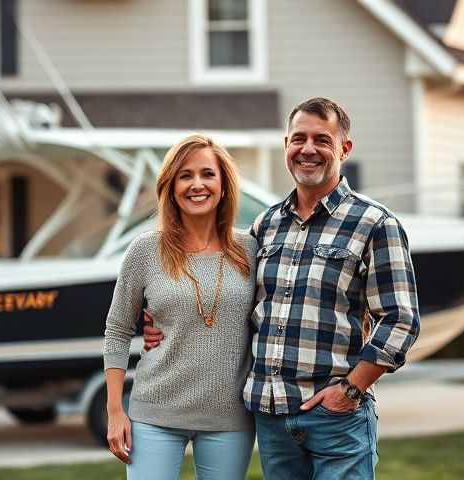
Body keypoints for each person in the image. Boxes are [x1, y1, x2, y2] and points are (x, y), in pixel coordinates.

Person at [144, 97, 420, 479]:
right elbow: (233, 303)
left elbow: (401, 320)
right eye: (299, 139)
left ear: (344, 148)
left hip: (336, 419)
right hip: (272, 419)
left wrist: (351, 391)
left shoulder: (375, 224)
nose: (308, 149)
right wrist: (161, 319)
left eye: (322, 140)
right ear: (286, 145)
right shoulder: (266, 226)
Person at [102, 134, 257, 480]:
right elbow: (116, 331)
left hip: (229, 417)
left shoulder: (251, 249)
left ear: (224, 184)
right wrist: (115, 410)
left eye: (207, 174)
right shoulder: (144, 251)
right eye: (185, 176)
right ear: (170, 187)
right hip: (155, 414)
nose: (196, 184)